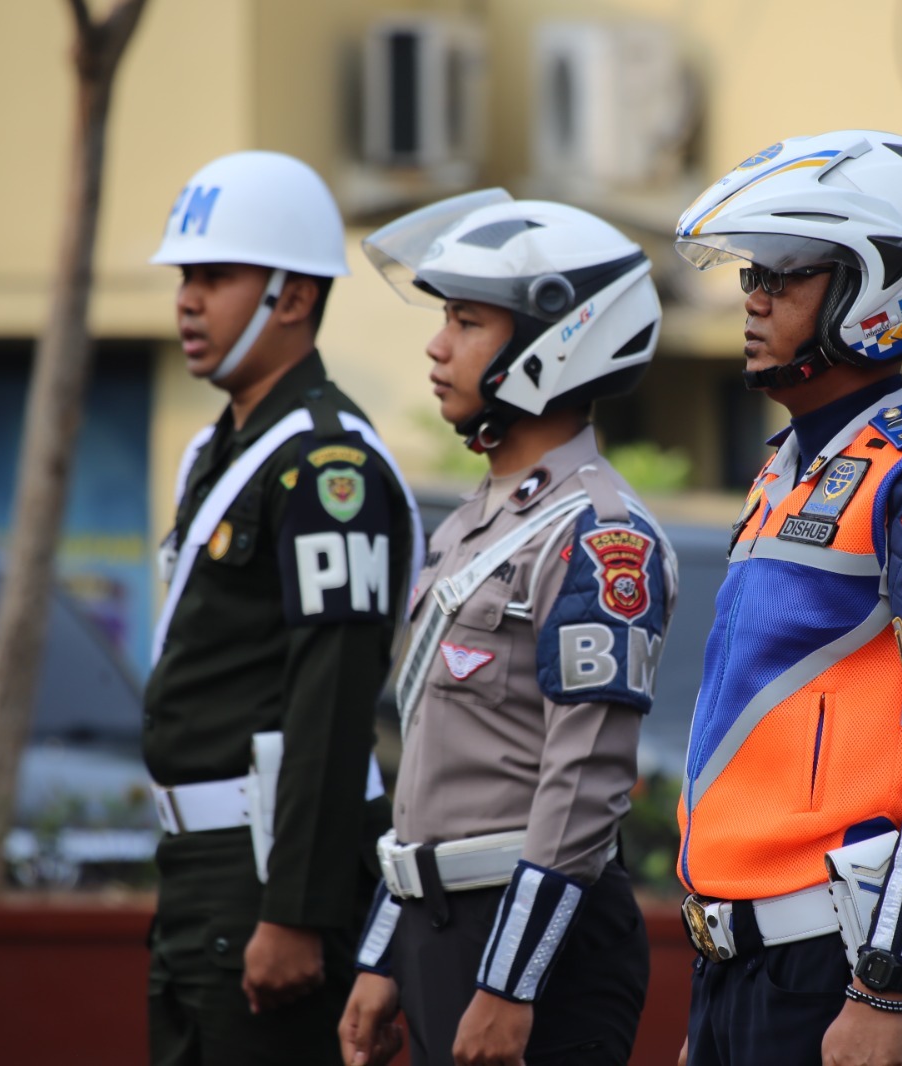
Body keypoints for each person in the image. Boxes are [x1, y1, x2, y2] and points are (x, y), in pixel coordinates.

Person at [669, 130, 902, 1066]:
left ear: (878, 286)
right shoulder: (785, 473)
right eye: (751, 271)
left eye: (782, 274)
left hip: (846, 977)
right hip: (744, 978)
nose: (752, 296)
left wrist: (885, 983)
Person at [337, 190, 676, 1066]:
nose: (436, 344)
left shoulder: (599, 533)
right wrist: (382, 952)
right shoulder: (471, 524)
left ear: (553, 341)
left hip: (533, 943)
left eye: (466, 320)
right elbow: (433, 770)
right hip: (441, 928)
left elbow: (587, 779)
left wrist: (509, 984)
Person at [142, 150, 422, 1066]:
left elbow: (332, 699)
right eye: (187, 276)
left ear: (293, 298)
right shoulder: (224, 450)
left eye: (216, 276)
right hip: (199, 874)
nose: (188, 299)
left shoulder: (325, 466)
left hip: (266, 872)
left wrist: (295, 913)